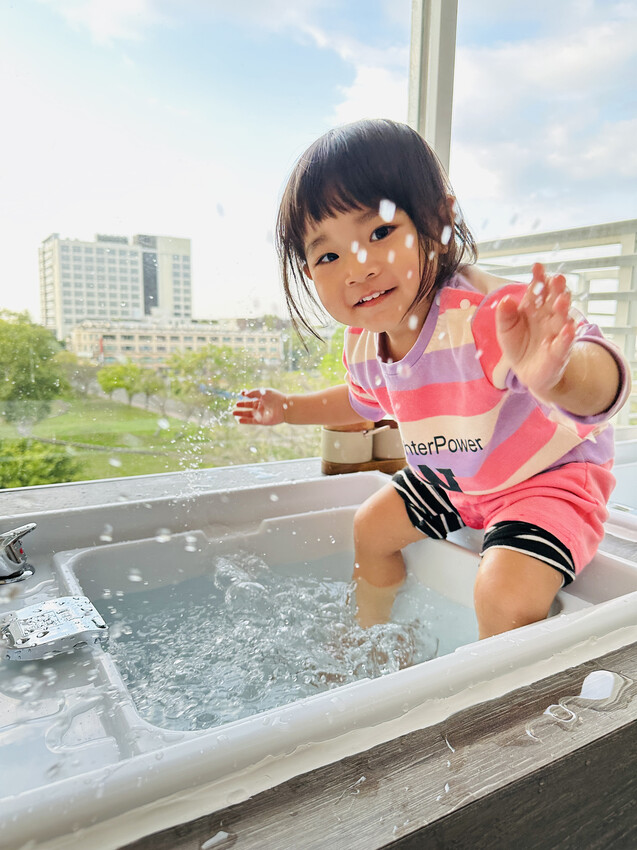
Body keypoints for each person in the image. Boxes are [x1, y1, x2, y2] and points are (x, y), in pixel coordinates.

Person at [233, 118, 630, 639]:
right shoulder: (364, 341)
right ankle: (369, 638)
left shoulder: (483, 316)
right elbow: (361, 403)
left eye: (379, 232)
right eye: (328, 254)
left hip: (544, 480)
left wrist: (559, 374)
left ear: (438, 220)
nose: (357, 268)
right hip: (458, 479)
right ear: (310, 273)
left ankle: (491, 704)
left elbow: (608, 384)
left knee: (503, 594)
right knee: (370, 529)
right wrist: (289, 409)